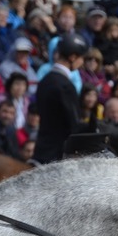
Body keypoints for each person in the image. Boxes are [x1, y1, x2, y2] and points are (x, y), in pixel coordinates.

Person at [32, 33, 86, 165]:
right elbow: (73, 125)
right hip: (58, 155)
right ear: (72, 57)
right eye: (81, 58)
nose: (82, 62)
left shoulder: (45, 80)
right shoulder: (66, 86)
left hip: (41, 149)